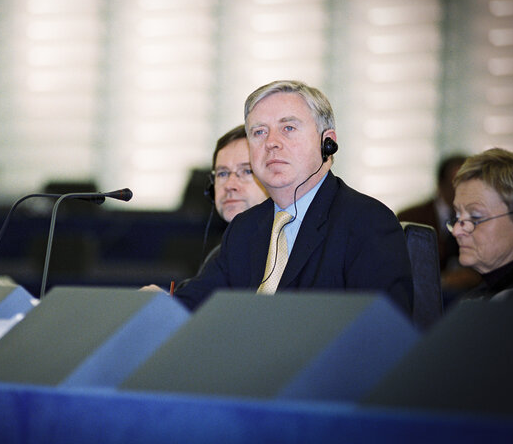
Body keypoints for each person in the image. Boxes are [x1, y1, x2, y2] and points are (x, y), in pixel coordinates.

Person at [173, 80, 414, 314]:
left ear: (327, 143)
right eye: (259, 132)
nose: (271, 143)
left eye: (288, 128)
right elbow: (192, 305)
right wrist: (155, 303)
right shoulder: (244, 229)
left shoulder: (367, 222)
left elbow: (382, 333)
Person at [142, 125, 268, 293]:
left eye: (246, 171)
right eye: (222, 174)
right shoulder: (224, 253)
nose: (230, 185)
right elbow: (194, 305)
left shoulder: (285, 249)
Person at [397, 155, 481, 298]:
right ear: (440, 185)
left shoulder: (482, 218)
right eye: (457, 184)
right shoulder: (410, 218)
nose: (464, 190)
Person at [448, 148, 513, 301]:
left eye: (475, 217)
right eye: (457, 217)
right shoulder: (477, 299)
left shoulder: (508, 308)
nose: (456, 231)